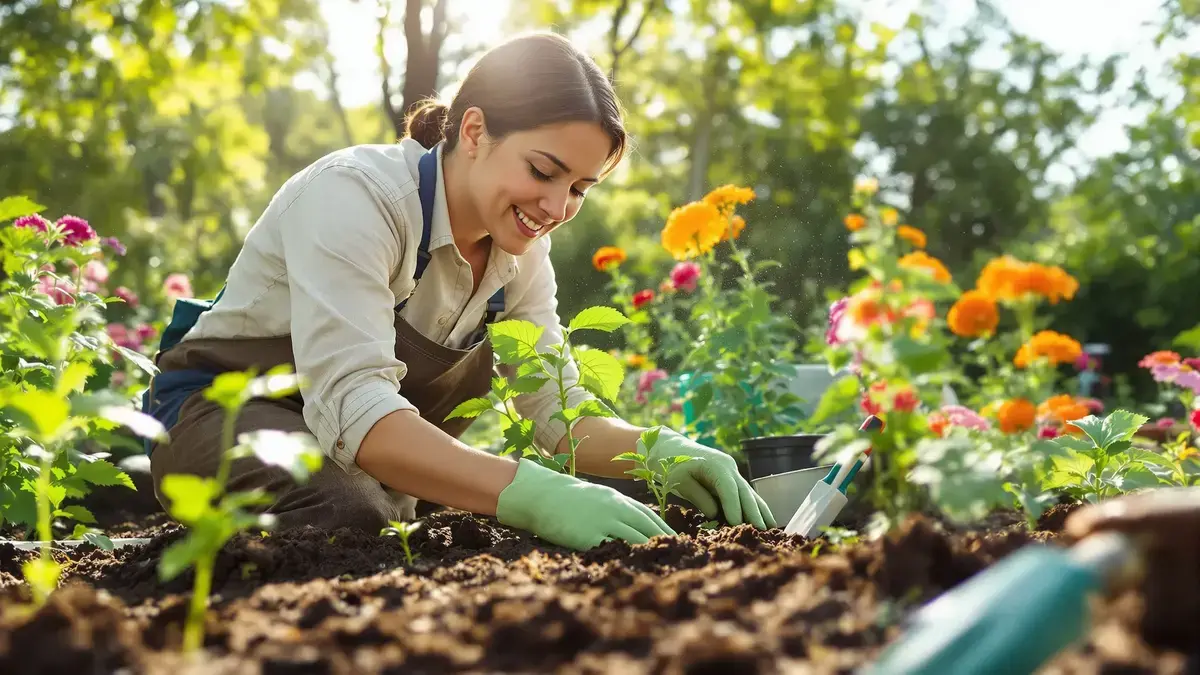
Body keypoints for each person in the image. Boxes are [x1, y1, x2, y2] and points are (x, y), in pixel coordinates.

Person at [141, 32, 775, 551]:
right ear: (473, 132)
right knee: (347, 516)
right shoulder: (356, 198)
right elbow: (357, 407)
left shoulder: (519, 252)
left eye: (580, 189)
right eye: (543, 171)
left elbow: (553, 410)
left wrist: (661, 452)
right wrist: (532, 494)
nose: (556, 207)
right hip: (218, 413)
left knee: (424, 518)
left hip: (344, 443)